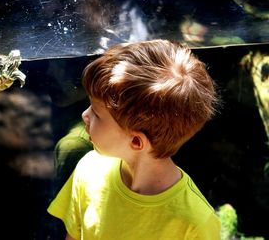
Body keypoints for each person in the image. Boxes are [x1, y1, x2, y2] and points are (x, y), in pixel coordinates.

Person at [47, 39, 221, 239]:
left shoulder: (195, 224)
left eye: (96, 113)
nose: (85, 115)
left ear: (136, 142)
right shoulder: (88, 171)